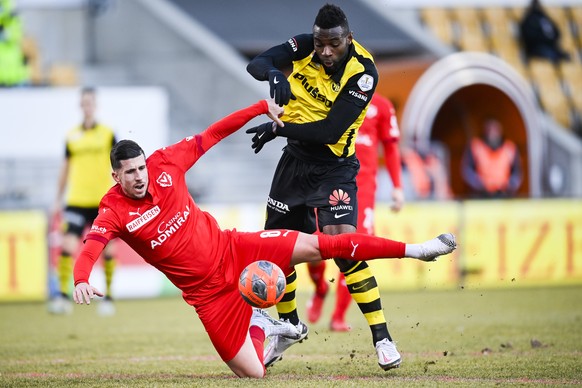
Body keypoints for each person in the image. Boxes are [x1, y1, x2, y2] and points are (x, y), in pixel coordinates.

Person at [72, 97, 457, 378]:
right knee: (253, 374)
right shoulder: (112, 210)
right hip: (207, 297)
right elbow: (91, 245)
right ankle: (268, 325)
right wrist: (80, 278)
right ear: (116, 177)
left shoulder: (165, 164)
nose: (140, 176)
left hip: (234, 248)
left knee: (322, 244)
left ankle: (418, 250)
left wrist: (258, 107)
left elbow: (214, 133)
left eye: (141, 167)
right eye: (131, 173)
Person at [245, 4, 405, 370]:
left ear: (348, 39)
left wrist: (277, 128)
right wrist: (273, 73)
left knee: (345, 249)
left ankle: (382, 338)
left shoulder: (363, 73)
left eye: (333, 44)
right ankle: (289, 325)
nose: (325, 51)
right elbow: (255, 63)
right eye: (320, 43)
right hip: (294, 163)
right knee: (276, 248)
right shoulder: (306, 47)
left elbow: (329, 132)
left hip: (334, 167)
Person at [305, 93, 404, 332]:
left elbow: (391, 148)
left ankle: (338, 316)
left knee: (355, 249)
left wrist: (397, 187)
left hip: (363, 188)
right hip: (329, 182)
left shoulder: (382, 106)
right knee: (315, 246)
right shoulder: (329, 95)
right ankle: (320, 289)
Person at [48, 87, 118, 316]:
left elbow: (118, 165)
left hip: (102, 201)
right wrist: (57, 200)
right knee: (68, 247)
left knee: (107, 250)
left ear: (95, 105)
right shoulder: (71, 136)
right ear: (81, 106)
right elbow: (64, 169)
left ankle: (109, 297)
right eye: (84, 103)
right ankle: (62, 296)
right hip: (77, 199)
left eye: (91, 103)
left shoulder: (108, 134)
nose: (87, 106)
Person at [461, 117, 522, 198]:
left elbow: (517, 173)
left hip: (504, 196)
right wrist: (479, 185)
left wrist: (509, 186)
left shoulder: (510, 148)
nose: (492, 132)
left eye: (494, 128)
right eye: (489, 128)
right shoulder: (475, 146)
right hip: (481, 196)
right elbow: (467, 171)